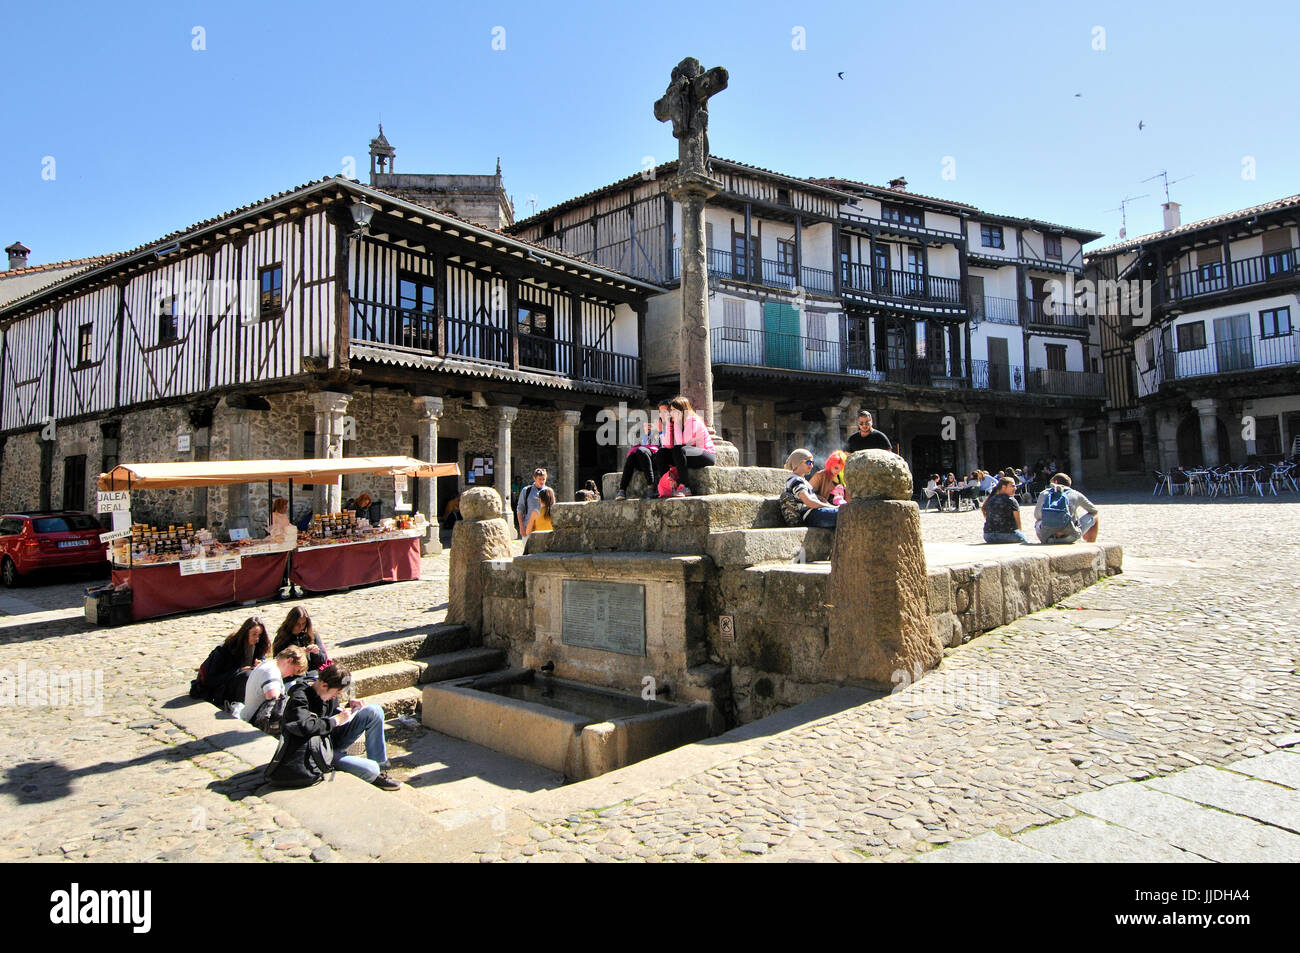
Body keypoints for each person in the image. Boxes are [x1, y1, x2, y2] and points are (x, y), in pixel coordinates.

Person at [269, 664, 401, 791]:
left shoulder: (327, 693)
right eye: (336, 693)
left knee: (374, 711)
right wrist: (335, 720)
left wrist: (349, 708)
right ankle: (374, 773)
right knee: (370, 769)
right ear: (324, 685)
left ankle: (381, 768)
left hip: (331, 739)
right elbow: (304, 726)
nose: (336, 696)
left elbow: (332, 716)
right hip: (317, 751)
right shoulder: (299, 696)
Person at [191, 616, 270, 707]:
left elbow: (262, 660)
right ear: (245, 633)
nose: (257, 639)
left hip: (244, 687)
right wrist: (239, 671)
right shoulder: (225, 649)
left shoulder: (258, 646)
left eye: (259, 635)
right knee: (246, 675)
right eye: (254, 634)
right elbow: (210, 679)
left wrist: (260, 664)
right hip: (222, 688)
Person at [239, 644, 309, 723]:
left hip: (249, 715)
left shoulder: (267, 664)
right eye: (294, 670)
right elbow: (273, 699)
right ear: (289, 660)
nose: (292, 675)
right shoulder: (272, 672)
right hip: (255, 721)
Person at [615, 402, 668, 500]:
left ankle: (651, 486)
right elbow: (646, 444)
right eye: (660, 412)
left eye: (664, 411)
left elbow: (666, 445)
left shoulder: (672, 425)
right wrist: (647, 434)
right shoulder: (657, 424)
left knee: (641, 450)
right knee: (633, 455)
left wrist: (661, 431)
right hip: (646, 459)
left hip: (661, 459)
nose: (662, 414)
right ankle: (622, 490)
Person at [661, 395, 715, 487]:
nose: (672, 413)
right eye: (671, 410)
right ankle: (669, 484)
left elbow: (682, 443)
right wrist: (669, 425)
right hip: (689, 455)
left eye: (674, 410)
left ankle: (685, 486)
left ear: (682, 410)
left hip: (706, 455)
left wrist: (676, 423)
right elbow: (667, 445)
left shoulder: (693, 420)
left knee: (678, 449)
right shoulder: (679, 422)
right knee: (662, 453)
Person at [1034, 472, 1100, 544]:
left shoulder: (1044, 493)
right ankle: (1091, 544)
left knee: (1038, 522)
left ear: (1056, 482)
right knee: (1095, 516)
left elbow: (1037, 515)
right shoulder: (1076, 494)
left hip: (1047, 538)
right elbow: (1094, 510)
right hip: (1069, 537)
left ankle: (1047, 539)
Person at [781, 449, 838, 529]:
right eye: (808, 462)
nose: (811, 466)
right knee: (844, 515)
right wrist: (831, 507)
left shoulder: (801, 480)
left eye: (812, 463)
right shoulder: (796, 480)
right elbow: (809, 502)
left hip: (815, 513)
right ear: (798, 463)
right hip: (812, 515)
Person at [272, 606, 331, 674]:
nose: (301, 627)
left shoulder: (311, 635)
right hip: (293, 676)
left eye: (303, 623)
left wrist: (316, 653)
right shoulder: (282, 638)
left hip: (313, 673)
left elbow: (323, 660)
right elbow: (278, 661)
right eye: (297, 624)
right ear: (291, 623)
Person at [982, 476, 1028, 544]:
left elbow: (984, 512)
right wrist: (1020, 534)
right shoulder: (1011, 500)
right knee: (1025, 542)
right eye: (1012, 486)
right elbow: (1018, 523)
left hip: (988, 535)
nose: (1015, 488)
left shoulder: (990, 499)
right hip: (1007, 534)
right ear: (1004, 487)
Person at [516, 468, 549, 536]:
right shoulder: (526, 491)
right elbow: (520, 509)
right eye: (539, 479)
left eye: (544, 479)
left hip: (544, 529)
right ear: (534, 478)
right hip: (528, 528)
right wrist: (521, 527)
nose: (542, 481)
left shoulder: (548, 492)